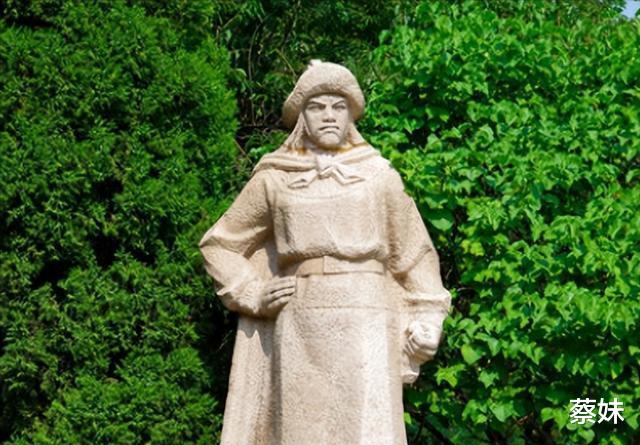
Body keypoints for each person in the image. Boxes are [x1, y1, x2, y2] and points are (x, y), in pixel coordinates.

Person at [199, 60, 451, 445]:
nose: (329, 115)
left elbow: (415, 254)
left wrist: (428, 321)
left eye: (339, 106)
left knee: (369, 432)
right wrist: (253, 293)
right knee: (301, 430)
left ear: (351, 114)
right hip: (300, 319)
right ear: (302, 116)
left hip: (369, 316)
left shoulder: (379, 177)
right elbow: (220, 244)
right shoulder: (276, 178)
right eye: (317, 107)